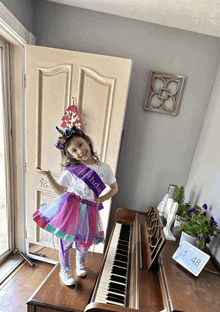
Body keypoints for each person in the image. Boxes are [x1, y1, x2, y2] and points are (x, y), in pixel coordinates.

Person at [33, 108, 118, 287]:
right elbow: (62, 192)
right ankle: (64, 269)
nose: (80, 151)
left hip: (90, 210)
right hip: (71, 209)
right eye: (74, 150)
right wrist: (48, 176)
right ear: (70, 155)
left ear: (87, 141)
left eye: (80, 144)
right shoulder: (70, 172)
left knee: (84, 241)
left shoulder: (104, 168)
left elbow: (114, 188)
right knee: (66, 241)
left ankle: (80, 263)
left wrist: (102, 199)